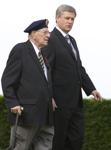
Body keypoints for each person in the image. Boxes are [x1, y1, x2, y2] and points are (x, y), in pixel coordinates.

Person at [41, 5, 102, 150]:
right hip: (59, 102)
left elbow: (78, 68)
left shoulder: (72, 40)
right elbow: (45, 70)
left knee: (76, 140)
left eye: (72, 19)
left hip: (76, 102)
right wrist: (49, 96)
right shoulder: (50, 39)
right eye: (67, 18)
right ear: (57, 18)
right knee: (58, 141)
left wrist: (91, 89)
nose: (70, 22)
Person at [1, 19, 57, 150]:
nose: (48, 35)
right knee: (20, 147)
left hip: (46, 114)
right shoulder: (20, 49)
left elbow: (45, 82)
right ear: (33, 33)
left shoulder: (43, 55)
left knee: (45, 147)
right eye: (45, 32)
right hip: (27, 114)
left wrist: (50, 98)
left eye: (48, 33)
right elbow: (7, 80)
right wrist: (13, 102)